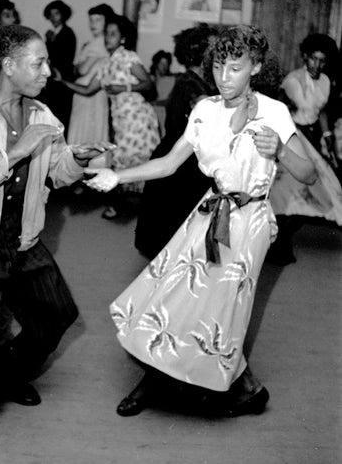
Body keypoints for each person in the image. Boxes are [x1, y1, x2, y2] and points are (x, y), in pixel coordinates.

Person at [85, 25, 316, 418]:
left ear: (256, 67)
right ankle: (173, 382)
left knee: (219, 309)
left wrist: (280, 151)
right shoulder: (205, 109)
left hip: (250, 222)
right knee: (171, 294)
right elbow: (169, 162)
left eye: (235, 68)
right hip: (210, 212)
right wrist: (117, 177)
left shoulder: (275, 113)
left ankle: (227, 385)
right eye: (219, 67)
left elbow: (309, 173)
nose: (224, 78)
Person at [0, 24, 113, 435]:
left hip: (24, 237)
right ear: (9, 65)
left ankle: (5, 374)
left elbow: (56, 173)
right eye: (39, 63)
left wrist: (77, 160)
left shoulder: (42, 114)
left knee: (58, 314)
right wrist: (15, 151)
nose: (48, 71)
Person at [56, 14, 160, 219]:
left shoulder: (128, 57)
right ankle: (126, 208)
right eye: (106, 34)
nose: (107, 38)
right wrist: (62, 81)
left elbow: (148, 83)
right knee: (123, 161)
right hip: (121, 121)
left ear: (122, 38)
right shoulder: (105, 64)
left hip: (139, 119)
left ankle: (142, 212)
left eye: (113, 34)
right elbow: (86, 90)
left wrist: (124, 86)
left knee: (141, 162)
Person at [135, 25, 216, 258]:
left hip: (185, 154)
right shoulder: (191, 83)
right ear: (202, 54)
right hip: (180, 156)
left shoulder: (199, 80)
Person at [268, 33, 342, 264]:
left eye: (322, 61)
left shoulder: (325, 81)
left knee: (322, 193)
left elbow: (320, 113)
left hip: (312, 139)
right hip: (292, 137)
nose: (317, 65)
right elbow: (279, 110)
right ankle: (277, 244)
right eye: (314, 59)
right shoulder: (292, 80)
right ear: (305, 56)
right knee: (286, 194)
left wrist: (329, 139)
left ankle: (281, 239)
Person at [67, 3, 114, 148]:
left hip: (90, 93)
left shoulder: (99, 43)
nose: (93, 24)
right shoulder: (95, 42)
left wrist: (80, 63)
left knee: (86, 132)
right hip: (88, 93)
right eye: (91, 20)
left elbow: (81, 70)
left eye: (98, 20)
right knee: (89, 132)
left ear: (107, 21)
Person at [40, 0, 77, 133]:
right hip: (53, 82)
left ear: (63, 15)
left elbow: (63, 59)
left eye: (56, 13)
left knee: (60, 118)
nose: (53, 17)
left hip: (62, 82)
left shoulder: (68, 33)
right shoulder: (52, 33)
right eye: (51, 14)